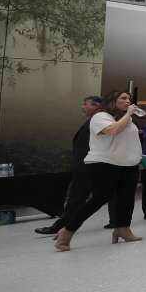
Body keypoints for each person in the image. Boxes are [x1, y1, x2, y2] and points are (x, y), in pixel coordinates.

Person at [53, 90, 144, 251]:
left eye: (129, 99)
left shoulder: (128, 121)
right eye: (123, 98)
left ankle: (122, 228)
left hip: (128, 165)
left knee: (126, 198)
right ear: (112, 101)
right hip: (104, 163)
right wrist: (129, 113)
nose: (127, 101)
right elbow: (112, 131)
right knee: (100, 198)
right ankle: (67, 231)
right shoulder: (100, 117)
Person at [35, 96, 105, 235]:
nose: (82, 107)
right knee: (84, 197)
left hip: (88, 166)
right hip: (86, 165)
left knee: (77, 197)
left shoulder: (99, 121)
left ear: (96, 106)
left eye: (85, 104)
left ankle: (61, 226)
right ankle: (66, 225)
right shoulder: (93, 121)